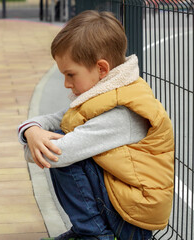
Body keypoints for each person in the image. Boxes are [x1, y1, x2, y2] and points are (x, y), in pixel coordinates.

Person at [17, 10, 175, 240]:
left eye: (70, 74)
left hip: (131, 221)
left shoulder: (122, 113)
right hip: (122, 206)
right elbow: (55, 119)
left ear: (101, 69)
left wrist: (37, 142)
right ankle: (86, 229)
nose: (66, 84)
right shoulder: (108, 92)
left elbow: (55, 154)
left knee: (63, 147)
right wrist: (30, 131)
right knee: (63, 136)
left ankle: (95, 234)